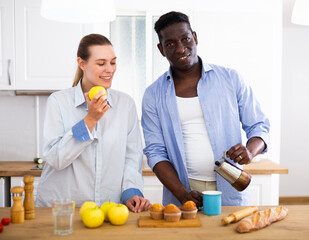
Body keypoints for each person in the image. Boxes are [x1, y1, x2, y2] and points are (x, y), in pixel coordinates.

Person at [141, 12, 270, 207]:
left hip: (230, 187)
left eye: (186, 39)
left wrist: (251, 151)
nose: (181, 48)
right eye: (170, 44)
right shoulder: (153, 94)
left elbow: (259, 126)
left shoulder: (231, 79)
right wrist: (182, 193)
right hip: (182, 192)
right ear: (161, 49)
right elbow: (155, 151)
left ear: (195, 37)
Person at [36, 34, 151, 212]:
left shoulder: (125, 104)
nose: (110, 69)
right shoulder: (58, 102)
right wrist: (90, 119)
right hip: (61, 209)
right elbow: (56, 159)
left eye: (113, 62)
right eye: (101, 63)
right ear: (82, 64)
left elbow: (131, 158)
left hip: (107, 209)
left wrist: (131, 192)